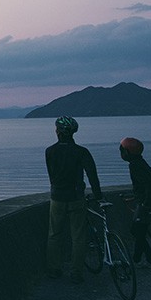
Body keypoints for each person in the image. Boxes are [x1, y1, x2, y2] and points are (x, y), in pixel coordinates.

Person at [45, 116, 103, 283]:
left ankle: (54, 269)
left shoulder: (49, 151)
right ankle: (76, 272)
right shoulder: (81, 152)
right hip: (76, 197)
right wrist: (98, 195)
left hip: (57, 197)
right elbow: (92, 175)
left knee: (54, 234)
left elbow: (51, 175)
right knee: (78, 236)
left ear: (58, 132)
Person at [119, 137, 151, 266]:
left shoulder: (135, 166)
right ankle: (146, 259)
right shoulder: (140, 162)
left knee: (136, 230)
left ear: (128, 152)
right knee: (140, 231)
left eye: (122, 150)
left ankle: (139, 259)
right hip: (149, 201)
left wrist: (145, 202)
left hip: (146, 204)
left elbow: (148, 184)